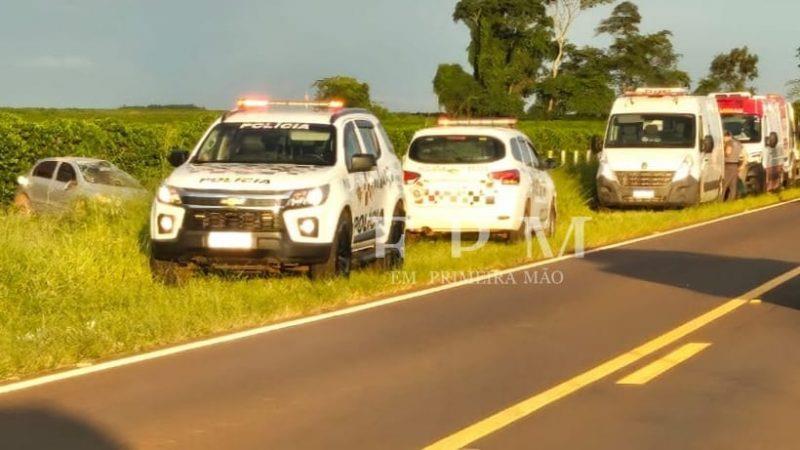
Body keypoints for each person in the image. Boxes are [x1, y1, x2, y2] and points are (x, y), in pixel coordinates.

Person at [722, 131, 744, 201]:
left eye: (724, 137)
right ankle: (731, 200)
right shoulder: (738, 143)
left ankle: (721, 200)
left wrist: (723, 154)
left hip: (728, 165)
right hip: (735, 164)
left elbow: (728, 152)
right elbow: (744, 155)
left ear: (727, 136)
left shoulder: (729, 142)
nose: (723, 139)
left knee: (724, 184)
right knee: (733, 185)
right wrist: (742, 165)